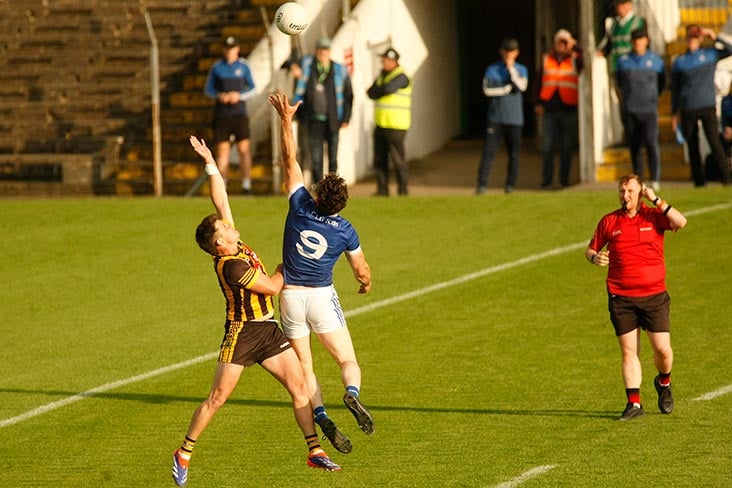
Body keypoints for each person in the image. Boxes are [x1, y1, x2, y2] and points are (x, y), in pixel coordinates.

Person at [171, 135, 341, 487]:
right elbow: (273, 286)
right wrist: (290, 264)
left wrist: (210, 163)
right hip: (243, 334)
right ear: (219, 243)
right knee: (217, 398)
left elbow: (221, 199)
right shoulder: (231, 266)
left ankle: (314, 450)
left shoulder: (234, 244)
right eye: (224, 228)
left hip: (268, 330)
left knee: (300, 385)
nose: (230, 224)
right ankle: (184, 452)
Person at [268, 91, 374, 454]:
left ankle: (321, 413)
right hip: (321, 297)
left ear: (316, 194)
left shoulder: (299, 205)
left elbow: (289, 159)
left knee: (305, 365)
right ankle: (352, 393)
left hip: (290, 297)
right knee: (347, 360)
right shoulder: (345, 230)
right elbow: (361, 270)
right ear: (342, 203)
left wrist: (286, 120)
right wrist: (365, 283)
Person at [585, 173, 687, 421]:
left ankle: (664, 382)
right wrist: (595, 258)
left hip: (654, 297)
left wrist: (657, 200)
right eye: (622, 191)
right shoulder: (610, 221)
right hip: (621, 297)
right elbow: (590, 249)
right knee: (629, 351)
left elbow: (681, 221)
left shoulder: (654, 216)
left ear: (641, 192)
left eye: (630, 191)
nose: (625, 196)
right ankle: (634, 403)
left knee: (663, 350)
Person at [671, 25, 732, 187]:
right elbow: (675, 89)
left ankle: (726, 178)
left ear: (700, 39)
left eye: (695, 37)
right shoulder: (679, 62)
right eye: (689, 37)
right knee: (692, 145)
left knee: (714, 142)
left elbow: (730, 50)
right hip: (688, 107)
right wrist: (674, 113)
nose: (692, 40)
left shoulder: (709, 54)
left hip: (707, 106)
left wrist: (714, 36)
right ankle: (699, 181)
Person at [293, 37, 354, 185]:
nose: (322, 53)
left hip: (333, 120)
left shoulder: (339, 70)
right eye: (320, 50)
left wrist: (346, 118)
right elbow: (292, 61)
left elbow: (348, 96)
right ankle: (319, 187)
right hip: (313, 120)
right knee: (316, 158)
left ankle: (333, 187)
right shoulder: (308, 66)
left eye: (325, 50)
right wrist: (293, 66)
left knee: (333, 157)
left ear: (329, 52)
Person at [203, 36, 257, 194]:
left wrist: (239, 96)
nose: (229, 51)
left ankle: (246, 184)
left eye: (232, 48)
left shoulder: (244, 66)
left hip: (239, 113)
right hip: (222, 114)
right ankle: (223, 184)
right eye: (226, 48)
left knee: (244, 149)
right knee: (222, 150)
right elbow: (208, 89)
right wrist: (219, 96)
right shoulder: (217, 67)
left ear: (237, 49)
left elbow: (253, 88)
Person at [476, 37, 529, 194]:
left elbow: (522, 87)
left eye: (511, 51)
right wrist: (505, 89)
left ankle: (510, 185)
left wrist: (511, 69)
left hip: (515, 120)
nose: (508, 54)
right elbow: (487, 90)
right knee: (488, 153)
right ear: (501, 51)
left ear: (516, 53)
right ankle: (482, 185)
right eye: (506, 51)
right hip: (496, 119)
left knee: (514, 155)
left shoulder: (521, 69)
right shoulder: (492, 69)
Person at [616, 28, 666, 191]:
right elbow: (619, 83)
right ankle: (639, 181)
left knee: (651, 143)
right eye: (635, 40)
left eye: (641, 39)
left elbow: (662, 82)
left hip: (649, 110)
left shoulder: (656, 61)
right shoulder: (623, 61)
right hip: (630, 110)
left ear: (647, 41)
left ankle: (655, 178)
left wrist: (652, 98)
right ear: (632, 42)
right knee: (635, 146)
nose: (638, 43)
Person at [535, 29, 583, 189]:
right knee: (547, 147)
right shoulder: (546, 59)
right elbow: (538, 82)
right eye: (559, 42)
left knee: (566, 147)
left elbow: (585, 57)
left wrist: (574, 45)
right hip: (549, 109)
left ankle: (564, 180)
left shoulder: (575, 59)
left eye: (565, 43)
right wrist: (538, 103)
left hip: (568, 108)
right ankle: (546, 180)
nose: (562, 46)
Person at [367, 47, 412, 196]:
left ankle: (403, 189)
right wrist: (380, 89)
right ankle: (382, 189)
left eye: (385, 60)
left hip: (396, 125)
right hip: (381, 124)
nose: (383, 63)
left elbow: (387, 89)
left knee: (398, 159)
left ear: (394, 61)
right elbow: (370, 92)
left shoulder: (402, 76)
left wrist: (379, 90)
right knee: (379, 159)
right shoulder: (382, 76)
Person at [597, 0, 646, 74]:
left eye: (622, 5)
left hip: (632, 66)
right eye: (617, 5)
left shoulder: (638, 22)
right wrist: (603, 52)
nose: (619, 8)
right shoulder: (613, 24)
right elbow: (611, 43)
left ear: (629, 5)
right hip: (616, 66)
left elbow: (643, 45)